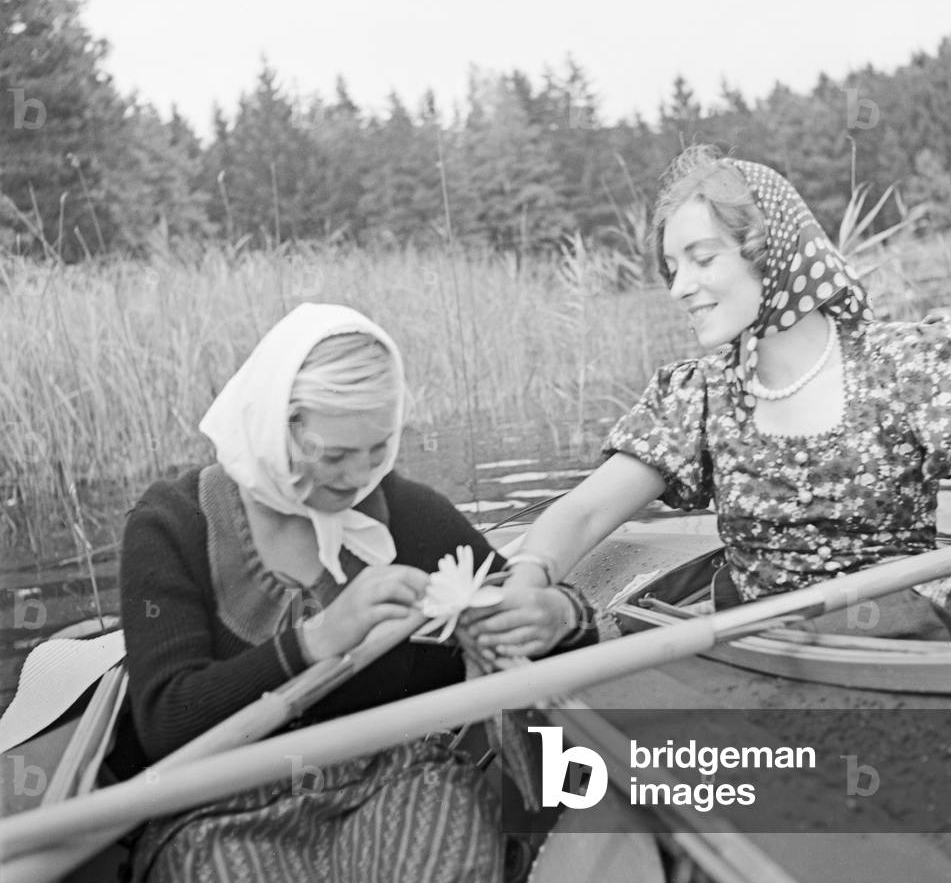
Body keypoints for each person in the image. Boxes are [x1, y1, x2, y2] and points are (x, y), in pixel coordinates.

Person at [464, 146, 951, 659]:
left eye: (703, 259)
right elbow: (585, 510)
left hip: (904, 635)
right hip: (764, 644)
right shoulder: (697, 396)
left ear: (771, 253)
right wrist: (528, 580)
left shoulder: (908, 364)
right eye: (673, 266)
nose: (680, 286)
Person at [116, 303, 595, 883]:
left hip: (394, 782)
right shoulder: (171, 524)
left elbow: (541, 637)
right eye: (335, 454)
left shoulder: (409, 517)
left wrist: (557, 614)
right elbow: (165, 724)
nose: (357, 477)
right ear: (277, 423)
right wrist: (319, 639)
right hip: (218, 805)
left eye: (376, 450)